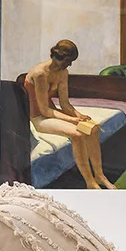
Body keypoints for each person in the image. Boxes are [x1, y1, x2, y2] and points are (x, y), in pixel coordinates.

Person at [24, 40, 116, 190]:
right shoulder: (40, 74)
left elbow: (65, 104)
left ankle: (100, 176)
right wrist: (73, 120)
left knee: (92, 129)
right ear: (58, 56)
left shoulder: (63, 73)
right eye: (68, 61)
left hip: (51, 113)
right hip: (38, 117)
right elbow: (44, 110)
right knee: (77, 135)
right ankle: (90, 182)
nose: (69, 65)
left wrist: (80, 116)